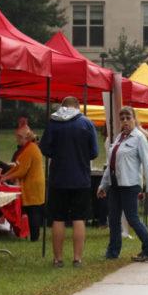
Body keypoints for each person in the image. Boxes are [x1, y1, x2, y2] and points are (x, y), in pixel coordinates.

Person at [39, 96, 99, 268]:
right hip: (81, 178)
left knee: (58, 218)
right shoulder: (86, 123)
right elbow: (94, 152)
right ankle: (77, 258)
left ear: (62, 107)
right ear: (78, 107)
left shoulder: (53, 122)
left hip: (58, 178)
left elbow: (44, 148)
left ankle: (58, 259)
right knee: (79, 218)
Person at [97, 107, 148, 262]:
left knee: (132, 218)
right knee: (113, 219)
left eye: (128, 117)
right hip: (115, 184)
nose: (125, 121)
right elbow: (111, 164)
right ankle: (113, 252)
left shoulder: (139, 138)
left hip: (130, 184)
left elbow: (147, 163)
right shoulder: (118, 138)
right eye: (122, 118)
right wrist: (103, 185)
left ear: (134, 119)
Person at [0, 126, 45, 242]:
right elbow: (18, 166)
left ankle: (34, 238)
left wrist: (5, 178)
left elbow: (21, 171)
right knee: (31, 211)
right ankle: (30, 235)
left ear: (23, 137)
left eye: (18, 138)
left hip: (33, 186)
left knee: (33, 212)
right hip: (32, 186)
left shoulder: (30, 149)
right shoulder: (28, 148)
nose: (16, 140)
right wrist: (5, 176)